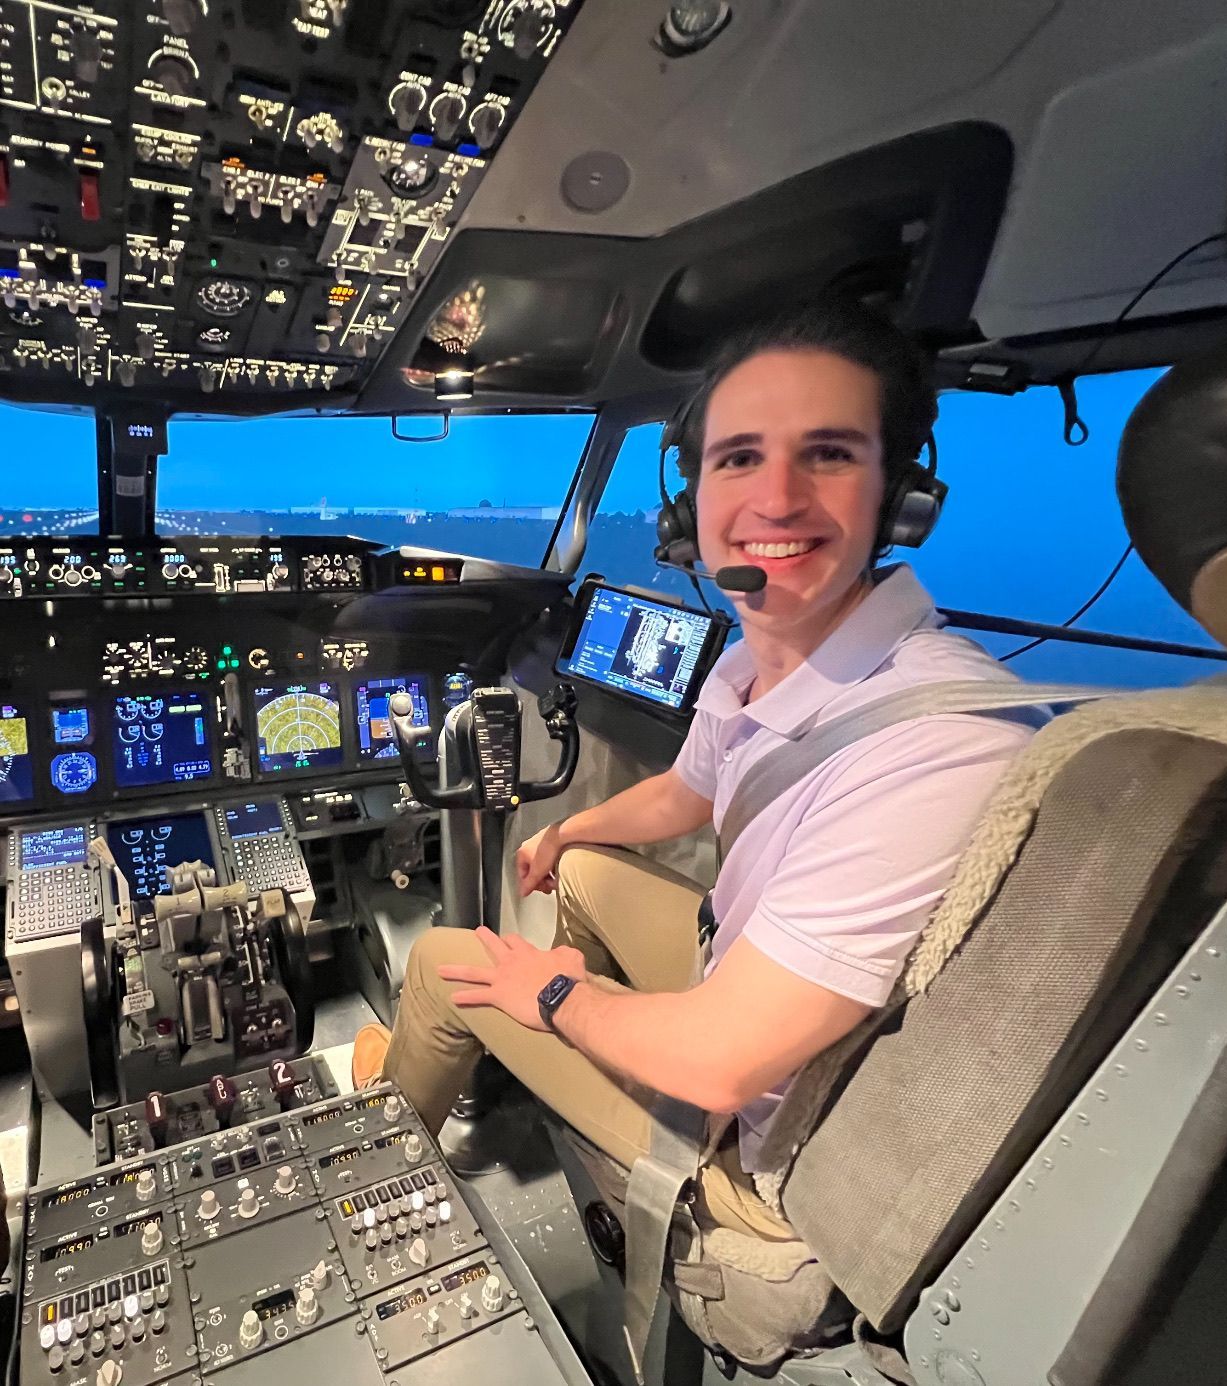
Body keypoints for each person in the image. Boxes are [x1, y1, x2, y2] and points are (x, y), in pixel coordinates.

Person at [351, 297, 1037, 1240]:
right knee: (582, 871)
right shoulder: (757, 658)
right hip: (757, 1002)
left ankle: (376, 1169)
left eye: (829, 454)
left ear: (900, 498)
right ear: (691, 505)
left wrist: (552, 996)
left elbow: (721, 1063)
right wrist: (565, 831)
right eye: (739, 457)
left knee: (440, 963)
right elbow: (690, 791)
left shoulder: (935, 739)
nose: (778, 498)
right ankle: (552, 1056)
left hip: (774, 1140)